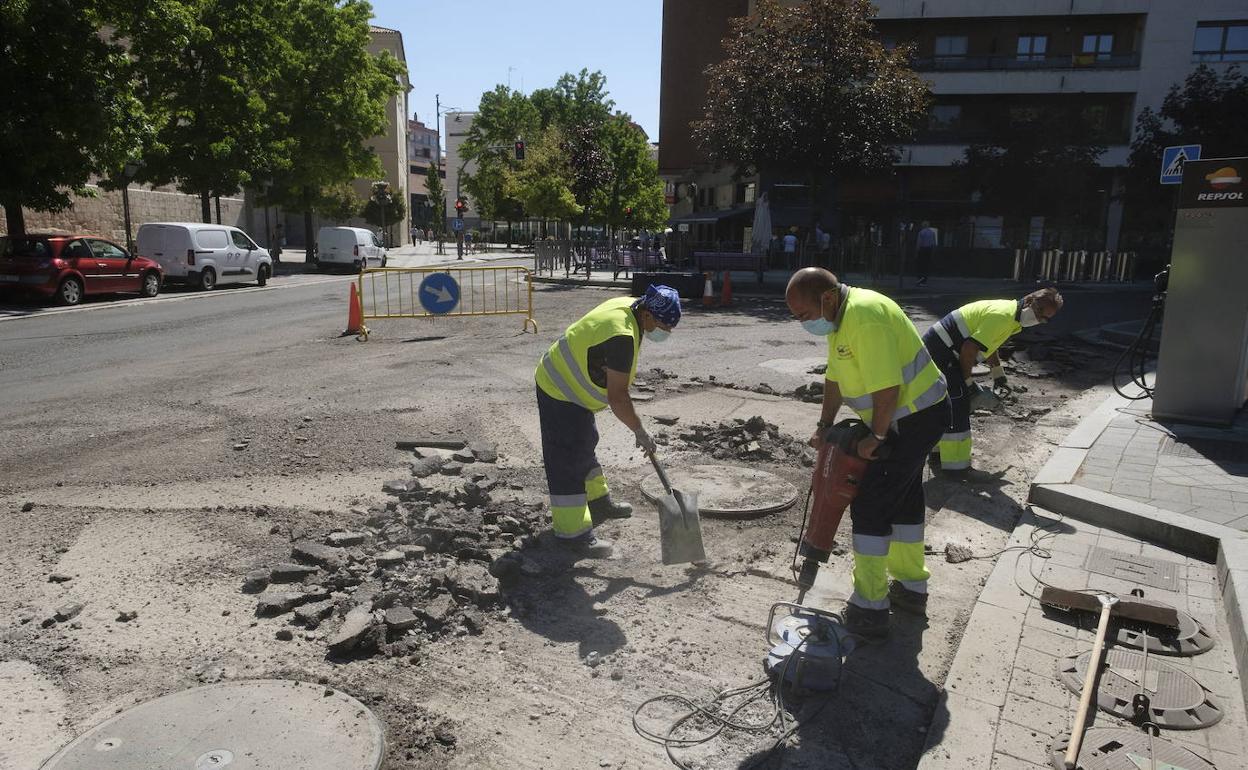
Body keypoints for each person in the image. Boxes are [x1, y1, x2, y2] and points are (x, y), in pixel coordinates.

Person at [786, 267, 948, 639]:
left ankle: (870, 607)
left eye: (804, 316)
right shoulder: (841, 316)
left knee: (872, 504)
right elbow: (835, 376)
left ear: (826, 298)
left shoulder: (865, 318)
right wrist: (824, 426)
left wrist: (875, 436)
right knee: (905, 500)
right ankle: (911, 589)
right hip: (907, 417)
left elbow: (887, 388)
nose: (803, 324)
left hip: (912, 417)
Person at [534, 285, 682, 557]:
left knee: (585, 442)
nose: (666, 332)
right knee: (566, 458)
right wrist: (640, 430)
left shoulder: (630, 307)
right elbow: (618, 396)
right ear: (648, 315)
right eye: (664, 325)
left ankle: (598, 502)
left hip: (574, 390)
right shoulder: (621, 335)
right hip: (558, 389)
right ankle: (573, 535)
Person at [923, 288, 1064, 476]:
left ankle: (938, 455)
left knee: (945, 404)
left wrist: (998, 374)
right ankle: (955, 468)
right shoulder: (1003, 317)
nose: (1039, 320)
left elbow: (988, 344)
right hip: (941, 353)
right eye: (1039, 313)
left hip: (943, 350)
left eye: (1045, 319)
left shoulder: (1011, 318)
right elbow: (969, 349)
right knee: (958, 403)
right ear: (1030, 301)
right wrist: (968, 383)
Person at [915, 221, 937, 287]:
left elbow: (919, 243)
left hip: (922, 250)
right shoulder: (932, 233)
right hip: (929, 250)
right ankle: (924, 281)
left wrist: (916, 251)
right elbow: (933, 243)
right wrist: (933, 252)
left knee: (921, 265)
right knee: (927, 266)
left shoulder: (921, 232)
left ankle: (920, 280)